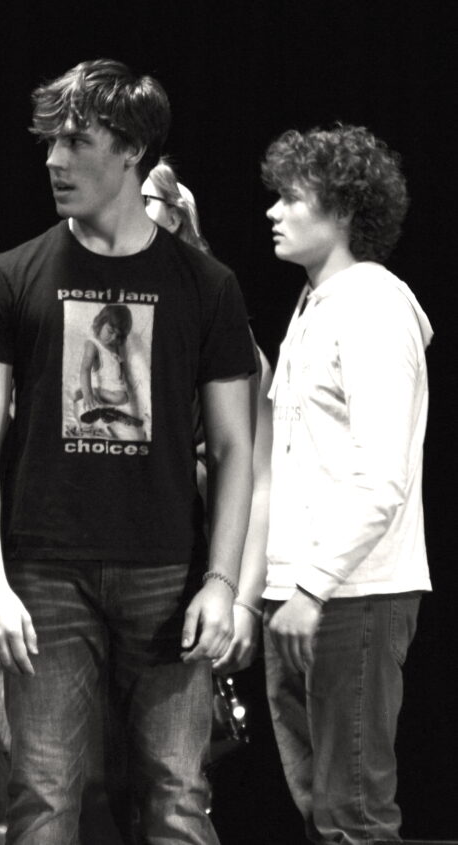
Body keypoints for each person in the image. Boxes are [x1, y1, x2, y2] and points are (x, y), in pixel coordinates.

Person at [0, 59, 256, 844]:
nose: (54, 160)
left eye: (76, 141)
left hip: (168, 573)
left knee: (177, 795)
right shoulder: (12, 276)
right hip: (46, 574)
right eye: (51, 141)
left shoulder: (206, 285)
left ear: (132, 151)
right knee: (43, 792)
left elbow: (233, 448)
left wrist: (223, 582)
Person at [261, 124, 431, 844]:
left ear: (344, 210)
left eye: (291, 198)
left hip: (350, 594)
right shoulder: (315, 305)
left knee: (353, 812)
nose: (273, 211)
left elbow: (381, 477)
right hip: (302, 594)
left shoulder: (373, 307)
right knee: (321, 810)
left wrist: (311, 588)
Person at [142, 157, 273, 672]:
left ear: (174, 216)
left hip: (189, 571)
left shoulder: (221, 324)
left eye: (142, 200)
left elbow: (256, 476)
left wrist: (242, 598)